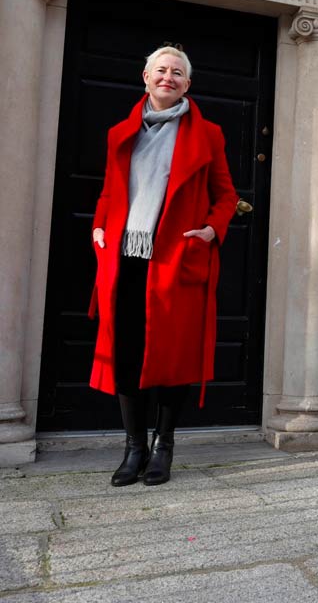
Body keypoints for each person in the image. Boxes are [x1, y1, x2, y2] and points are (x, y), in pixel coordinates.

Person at [89, 45, 238, 487]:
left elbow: (226, 195)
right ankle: (133, 448)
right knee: (127, 354)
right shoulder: (121, 133)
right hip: (125, 260)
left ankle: (164, 447)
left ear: (187, 85)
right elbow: (109, 194)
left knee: (173, 357)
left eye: (177, 73)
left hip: (175, 259)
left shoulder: (208, 134)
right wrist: (98, 226)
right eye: (161, 70)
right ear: (146, 77)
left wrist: (212, 230)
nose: (167, 77)